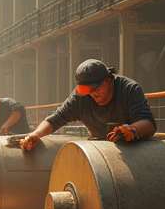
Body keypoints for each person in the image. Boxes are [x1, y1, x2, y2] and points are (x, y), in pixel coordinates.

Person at [20, 59, 156, 150]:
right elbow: (56, 119)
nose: (93, 95)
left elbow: (148, 123)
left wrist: (133, 130)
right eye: (88, 91)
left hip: (134, 148)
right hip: (99, 148)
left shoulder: (129, 89)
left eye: (96, 89)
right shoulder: (81, 97)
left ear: (109, 80)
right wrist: (36, 134)